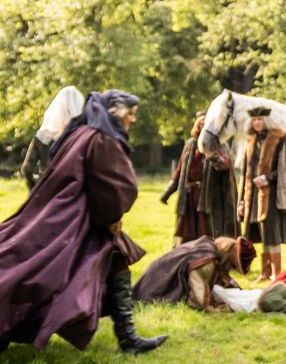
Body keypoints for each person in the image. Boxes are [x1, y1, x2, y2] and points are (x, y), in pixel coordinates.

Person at [0, 90, 167, 355]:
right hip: (78, 220)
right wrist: (113, 217)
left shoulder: (83, 133)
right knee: (38, 274)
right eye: (131, 114)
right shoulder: (100, 138)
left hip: (79, 217)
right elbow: (110, 185)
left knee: (118, 261)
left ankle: (128, 339)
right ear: (115, 112)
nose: (132, 120)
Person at [237, 107, 286, 281]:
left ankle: (276, 274)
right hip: (254, 196)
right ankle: (265, 273)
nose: (256, 122)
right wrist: (241, 200)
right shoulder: (251, 141)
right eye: (254, 119)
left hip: (274, 195)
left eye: (260, 119)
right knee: (261, 233)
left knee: (271, 233)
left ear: (267, 120)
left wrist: (267, 178)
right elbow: (246, 173)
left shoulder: (280, 139)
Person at [160, 110, 239, 245]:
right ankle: (186, 260)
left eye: (206, 123)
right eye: (200, 122)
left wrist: (211, 154)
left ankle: (207, 258)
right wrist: (167, 193)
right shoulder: (190, 144)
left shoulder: (220, 144)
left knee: (206, 233)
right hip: (190, 197)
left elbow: (225, 165)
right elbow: (180, 171)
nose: (203, 125)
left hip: (209, 198)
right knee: (186, 233)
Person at [133, 235, 256, 311]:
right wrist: (217, 309)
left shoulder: (211, 248)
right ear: (229, 261)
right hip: (157, 284)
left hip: (159, 271)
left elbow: (223, 280)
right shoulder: (206, 261)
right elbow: (198, 300)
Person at [20, 86, 84, 190]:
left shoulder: (43, 136)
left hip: (46, 189)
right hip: (73, 191)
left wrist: (35, 187)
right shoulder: (81, 135)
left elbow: (27, 168)